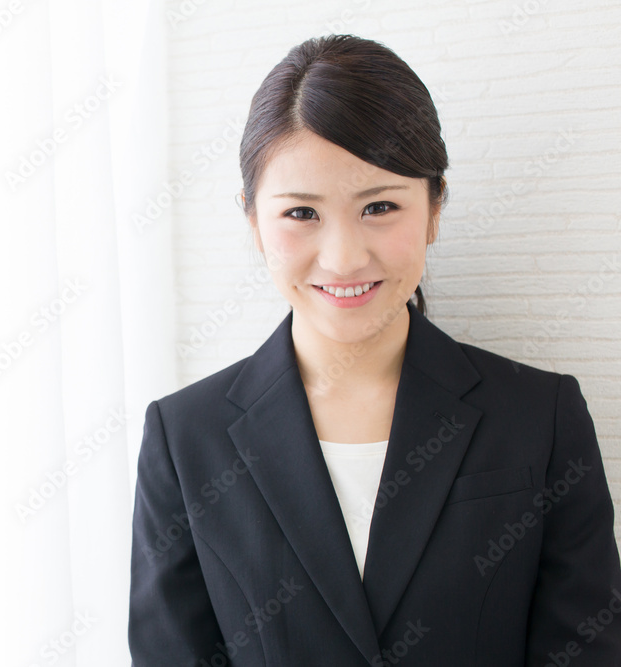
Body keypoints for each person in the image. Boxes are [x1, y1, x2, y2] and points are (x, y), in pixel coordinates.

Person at [128, 34, 621, 666]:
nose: (343, 259)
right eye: (301, 213)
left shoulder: (540, 416)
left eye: (380, 206)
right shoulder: (184, 439)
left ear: (435, 208)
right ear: (252, 221)